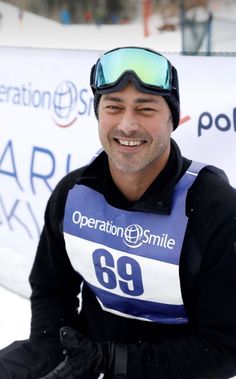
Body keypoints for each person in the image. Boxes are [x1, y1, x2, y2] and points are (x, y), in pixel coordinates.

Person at [0, 46, 236, 379]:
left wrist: (114, 362)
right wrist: (53, 350)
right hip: (84, 357)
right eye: (114, 106)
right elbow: (51, 289)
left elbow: (225, 347)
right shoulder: (73, 193)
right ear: (98, 114)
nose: (127, 125)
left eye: (146, 109)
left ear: (174, 119)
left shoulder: (215, 209)